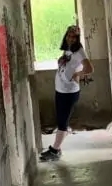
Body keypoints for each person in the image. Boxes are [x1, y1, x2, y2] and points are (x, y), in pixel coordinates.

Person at [39, 24, 93, 161]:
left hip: (69, 92)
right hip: (60, 90)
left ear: (77, 38)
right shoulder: (68, 50)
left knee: (62, 122)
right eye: (69, 35)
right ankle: (58, 147)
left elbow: (90, 68)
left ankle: (55, 151)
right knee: (61, 120)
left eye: (74, 37)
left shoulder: (79, 51)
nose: (70, 38)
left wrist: (78, 75)